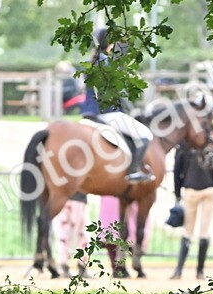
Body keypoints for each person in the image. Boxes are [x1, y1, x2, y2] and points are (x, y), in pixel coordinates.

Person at [81, 28, 152, 182]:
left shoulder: (93, 61)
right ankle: (133, 171)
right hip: (109, 113)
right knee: (146, 135)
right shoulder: (108, 63)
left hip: (89, 112)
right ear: (110, 43)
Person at [172, 129, 213, 279]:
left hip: (191, 188)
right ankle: (200, 271)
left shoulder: (185, 137)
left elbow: (177, 167)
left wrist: (177, 191)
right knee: (205, 230)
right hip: (211, 188)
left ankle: (179, 270)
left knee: (187, 231)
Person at [54, 192, 90, 278]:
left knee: (63, 236)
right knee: (82, 234)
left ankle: (64, 265)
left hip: (61, 199)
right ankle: (81, 267)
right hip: (78, 199)